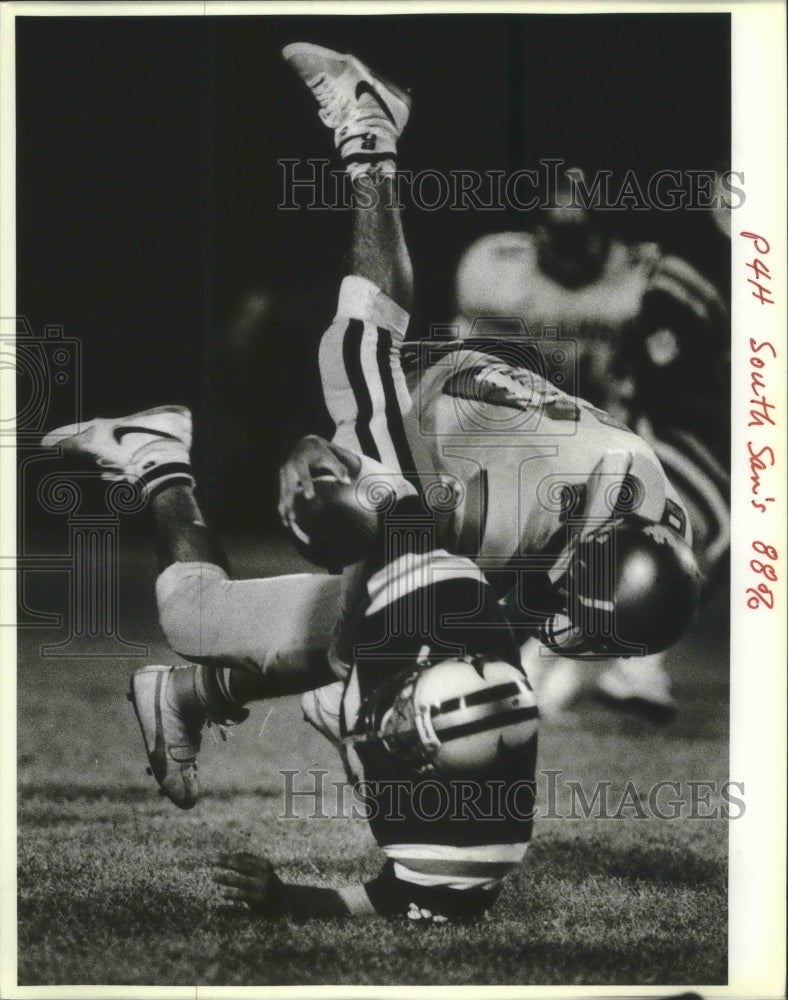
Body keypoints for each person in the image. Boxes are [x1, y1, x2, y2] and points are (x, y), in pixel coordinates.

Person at [42, 42, 701, 919]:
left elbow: (490, 615)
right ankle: (369, 134)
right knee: (363, 389)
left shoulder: (637, 539)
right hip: (448, 429)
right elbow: (400, 548)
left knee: (198, 623)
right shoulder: (534, 509)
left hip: (482, 501)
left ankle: (155, 459)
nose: (567, 635)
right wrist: (327, 468)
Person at [454, 169, 729, 720]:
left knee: (676, 529)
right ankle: (518, 661)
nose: (572, 251)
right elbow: (466, 373)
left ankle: (606, 661)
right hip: (520, 435)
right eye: (561, 234)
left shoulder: (644, 280)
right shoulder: (495, 272)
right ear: (536, 232)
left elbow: (664, 377)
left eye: (583, 236)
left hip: (608, 434)